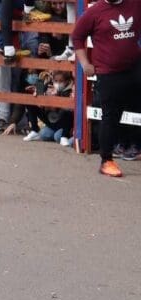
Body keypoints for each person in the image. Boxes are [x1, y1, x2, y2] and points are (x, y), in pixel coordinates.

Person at [72, 0, 141, 177]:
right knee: (110, 115)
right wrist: (85, 63)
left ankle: (134, 145)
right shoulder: (95, 11)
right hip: (109, 72)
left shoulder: (135, 4)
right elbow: (77, 36)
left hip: (134, 66)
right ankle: (106, 160)